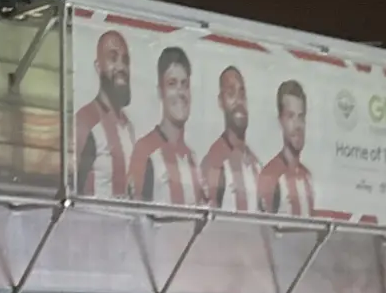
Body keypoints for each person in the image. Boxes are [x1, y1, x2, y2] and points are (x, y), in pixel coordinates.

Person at [130, 47, 208, 205]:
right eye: (172, 84)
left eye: (184, 84)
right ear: (161, 91)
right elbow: (134, 221)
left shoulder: (192, 158)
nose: (180, 92)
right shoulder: (144, 150)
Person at [74, 30, 138, 199]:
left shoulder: (128, 126)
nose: (121, 67)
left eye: (125, 60)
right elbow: (71, 187)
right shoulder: (86, 121)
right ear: (98, 67)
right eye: (113, 58)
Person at [200, 66, 260, 213]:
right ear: (221, 101)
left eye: (242, 94)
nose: (239, 101)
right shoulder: (214, 162)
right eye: (231, 93)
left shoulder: (254, 164)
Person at [256, 81, 314, 216]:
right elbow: (263, 232)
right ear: (280, 120)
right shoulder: (270, 175)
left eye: (301, 117)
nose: (297, 125)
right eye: (291, 116)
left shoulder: (307, 177)